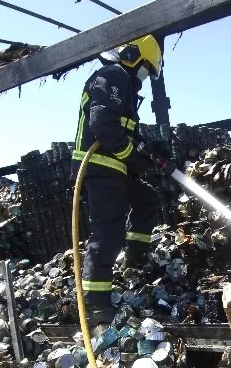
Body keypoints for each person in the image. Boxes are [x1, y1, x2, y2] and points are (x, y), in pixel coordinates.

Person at [71, 35, 172, 329]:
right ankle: (96, 303)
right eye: (144, 70)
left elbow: (126, 132)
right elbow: (102, 125)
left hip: (116, 167)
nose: (142, 78)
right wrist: (132, 154)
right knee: (108, 231)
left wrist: (151, 151)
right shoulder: (113, 75)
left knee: (146, 199)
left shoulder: (124, 86)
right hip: (100, 168)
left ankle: (135, 260)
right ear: (130, 55)